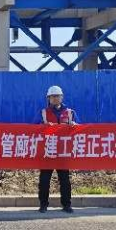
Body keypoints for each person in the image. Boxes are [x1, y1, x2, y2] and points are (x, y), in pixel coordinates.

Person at [38, 85, 77, 214]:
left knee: (65, 179)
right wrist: (43, 126)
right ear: (48, 98)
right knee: (44, 179)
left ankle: (66, 205)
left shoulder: (70, 112)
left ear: (62, 97)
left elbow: (80, 128)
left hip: (63, 151)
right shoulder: (43, 113)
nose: (55, 98)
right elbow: (34, 129)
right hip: (47, 151)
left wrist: (74, 125)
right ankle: (43, 204)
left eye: (57, 96)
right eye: (52, 96)